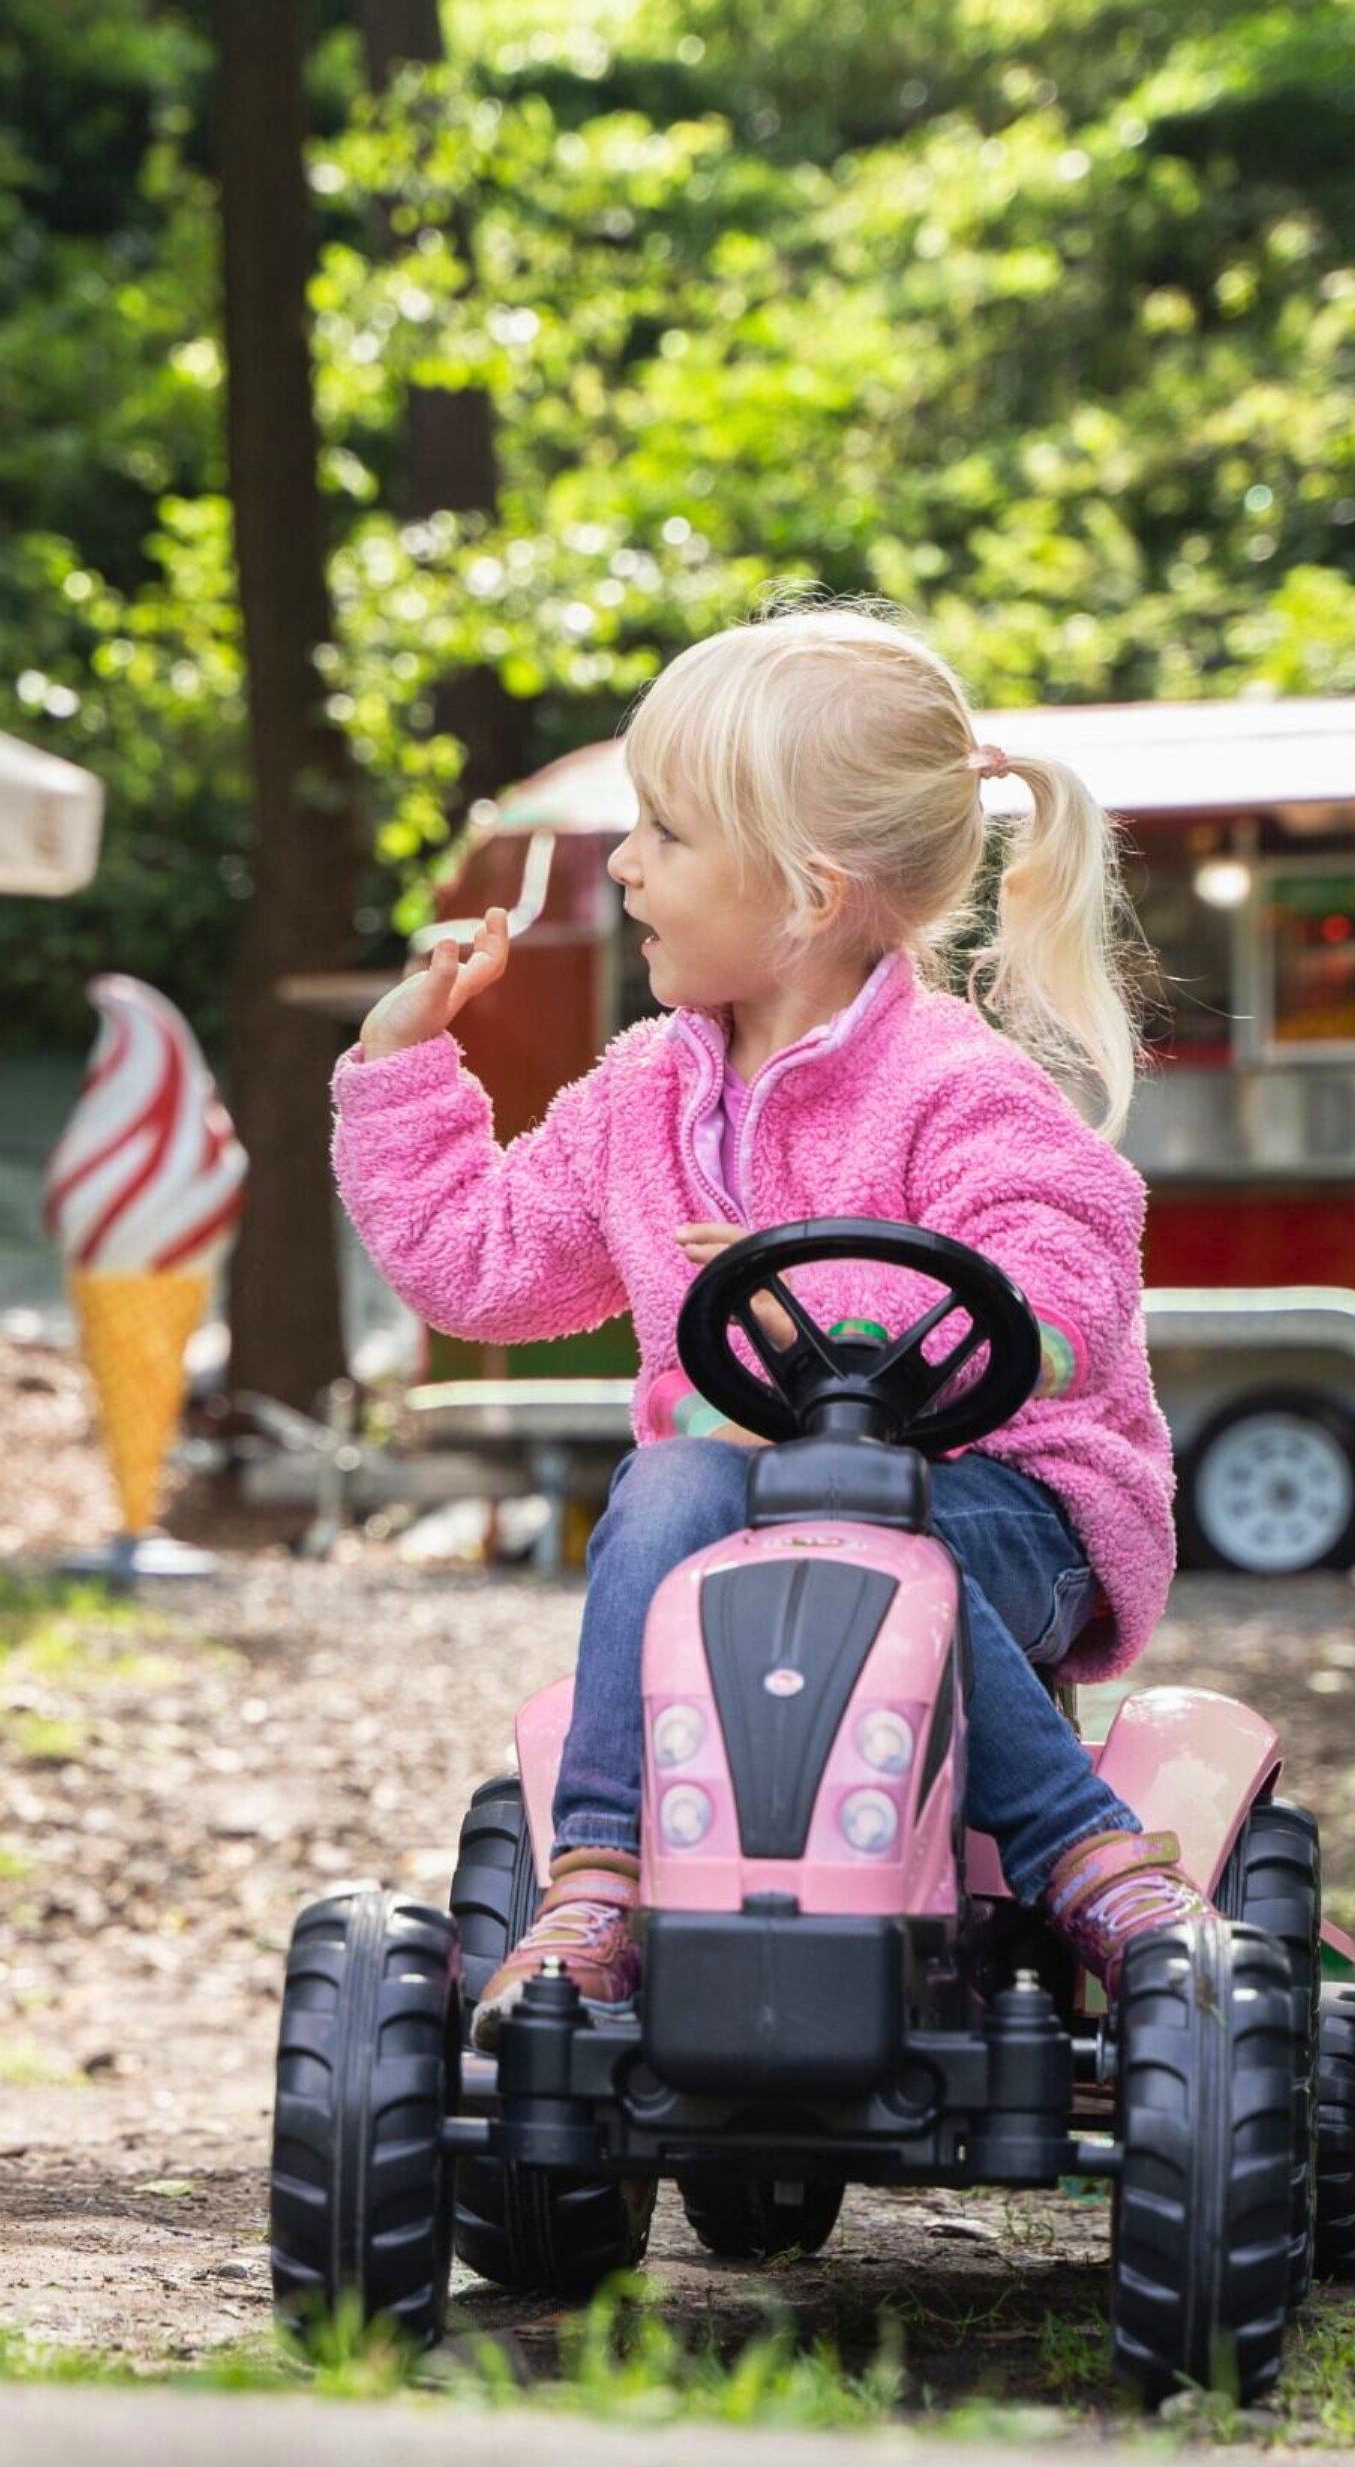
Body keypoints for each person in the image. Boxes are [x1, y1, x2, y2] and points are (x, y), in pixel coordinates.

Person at [330, 599, 1198, 2045]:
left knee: (844, 1515)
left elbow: (1067, 1281)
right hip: (740, 1527)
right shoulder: (640, 1097)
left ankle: (1072, 1846)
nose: (623, 864)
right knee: (676, 1474)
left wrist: (833, 1313)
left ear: (802, 892)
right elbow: (479, 1268)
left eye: (664, 834)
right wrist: (402, 1067)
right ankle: (599, 1875)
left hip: (1006, 1508)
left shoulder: (954, 1083)